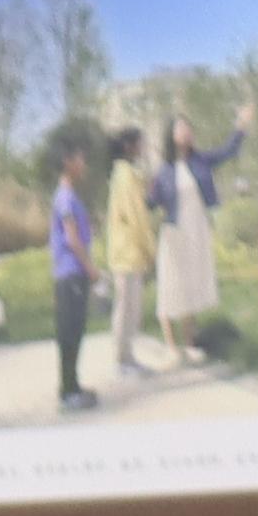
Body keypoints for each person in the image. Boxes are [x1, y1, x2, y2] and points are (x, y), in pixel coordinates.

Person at [97, 119, 163, 382]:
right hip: (128, 253)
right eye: (141, 143)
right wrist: (151, 251)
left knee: (130, 309)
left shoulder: (126, 174)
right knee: (126, 309)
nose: (144, 147)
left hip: (127, 253)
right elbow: (138, 218)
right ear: (129, 146)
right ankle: (121, 361)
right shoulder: (126, 176)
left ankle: (128, 358)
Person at [158, 111, 224, 363]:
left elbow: (225, 152)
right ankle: (171, 346)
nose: (186, 132)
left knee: (189, 284)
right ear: (171, 135)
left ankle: (189, 343)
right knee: (170, 285)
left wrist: (241, 129)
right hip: (173, 233)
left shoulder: (199, 161)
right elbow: (152, 200)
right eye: (181, 128)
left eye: (188, 128)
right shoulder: (164, 170)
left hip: (195, 229)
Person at [43, 130, 103, 408]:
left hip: (71, 274)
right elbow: (72, 238)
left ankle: (73, 387)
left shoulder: (67, 196)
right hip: (71, 274)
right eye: (80, 158)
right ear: (67, 162)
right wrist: (90, 268)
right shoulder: (65, 197)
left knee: (74, 333)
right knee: (69, 333)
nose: (84, 163)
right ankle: (68, 393)